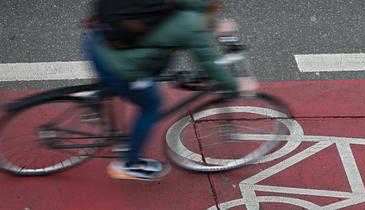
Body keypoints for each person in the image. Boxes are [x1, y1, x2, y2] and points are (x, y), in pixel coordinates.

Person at [84, 0, 253, 181]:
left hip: (97, 39)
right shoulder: (193, 26)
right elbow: (210, 64)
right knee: (152, 104)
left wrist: (212, 25)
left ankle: (99, 94)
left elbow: (187, 11)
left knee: (165, 59)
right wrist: (236, 85)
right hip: (116, 65)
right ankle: (128, 163)